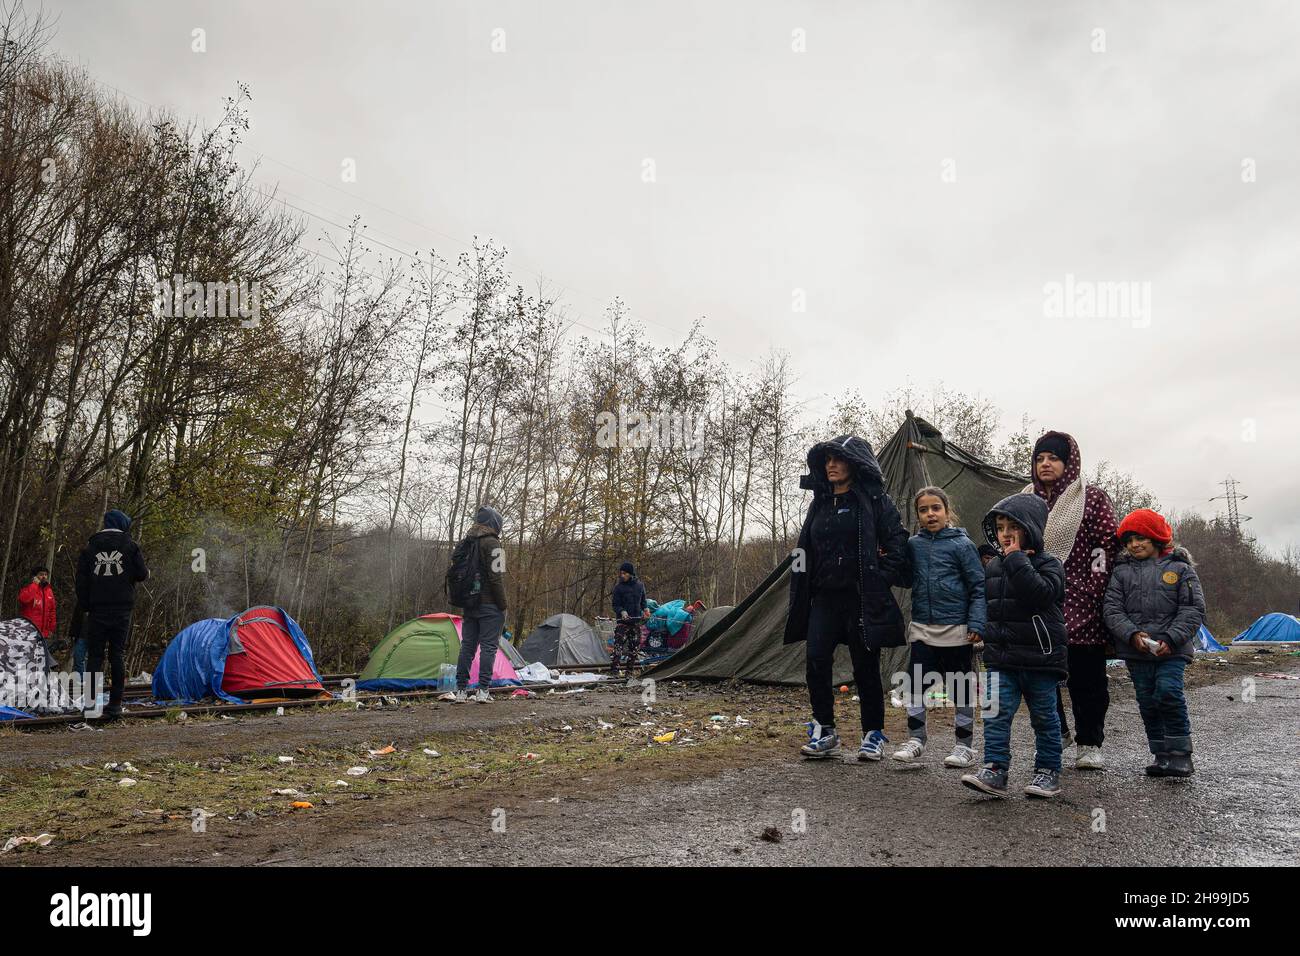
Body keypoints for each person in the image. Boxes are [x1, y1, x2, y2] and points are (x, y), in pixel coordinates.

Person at [784, 435, 911, 760]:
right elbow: (806, 549)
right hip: (824, 598)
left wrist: (879, 577)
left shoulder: (874, 500)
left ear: (855, 463)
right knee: (815, 661)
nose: (831, 465)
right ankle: (825, 731)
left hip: (861, 598)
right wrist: (801, 581)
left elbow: (897, 541)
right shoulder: (820, 503)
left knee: (865, 666)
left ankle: (874, 734)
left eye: (838, 459)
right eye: (826, 460)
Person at [961, 493, 1067, 799]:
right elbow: (987, 603)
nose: (1006, 533)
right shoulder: (993, 566)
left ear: (1031, 528)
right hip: (1001, 659)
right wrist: (980, 630)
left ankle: (1047, 772)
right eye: (1000, 526)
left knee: (1045, 719)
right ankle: (995, 770)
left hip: (1040, 659)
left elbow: (1041, 595)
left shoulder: (1050, 564)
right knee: (995, 713)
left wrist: (1018, 559)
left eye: (1013, 526)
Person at [1026, 431, 1118, 770]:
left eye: (1053, 458)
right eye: (1040, 458)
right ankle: (1057, 733)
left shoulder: (1090, 499)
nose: (1045, 464)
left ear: (1069, 463)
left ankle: (1090, 742)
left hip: (1082, 601)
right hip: (1038, 601)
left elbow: (1104, 546)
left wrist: (1096, 590)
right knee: (1039, 675)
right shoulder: (1024, 501)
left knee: (1087, 678)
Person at [1103, 509, 1205, 777]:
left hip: (1172, 650)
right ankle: (1160, 755)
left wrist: (1171, 638)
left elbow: (1192, 609)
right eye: (1128, 540)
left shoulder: (1181, 569)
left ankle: (1181, 754)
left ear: (1156, 537)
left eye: (1140, 538)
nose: (1134, 544)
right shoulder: (1121, 572)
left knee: (1168, 693)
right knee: (1147, 702)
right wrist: (1132, 634)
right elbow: (1112, 610)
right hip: (1137, 652)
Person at [892, 487, 985, 768]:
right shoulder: (914, 545)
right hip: (922, 627)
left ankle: (964, 747)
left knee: (960, 690)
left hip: (957, 629)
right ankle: (916, 739)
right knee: (915, 687)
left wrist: (977, 622)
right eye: (923, 510)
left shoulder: (962, 545)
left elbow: (978, 586)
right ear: (918, 515)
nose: (930, 514)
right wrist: (891, 556)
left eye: (936, 508)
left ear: (947, 511)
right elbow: (907, 580)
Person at [75, 510, 149, 720]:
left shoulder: (90, 547)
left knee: (94, 657)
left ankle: (90, 706)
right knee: (117, 655)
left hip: (97, 610)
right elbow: (142, 574)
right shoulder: (130, 546)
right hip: (121, 609)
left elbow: (80, 581)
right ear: (122, 525)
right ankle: (115, 705)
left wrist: (87, 605)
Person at [450, 505, 507, 703]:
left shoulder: (467, 542)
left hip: (469, 603)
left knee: (467, 647)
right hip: (490, 604)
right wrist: (503, 605)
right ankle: (483, 691)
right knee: (489, 647)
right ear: (494, 523)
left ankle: (461, 691)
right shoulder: (494, 544)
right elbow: (496, 577)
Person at [610, 561, 648, 678]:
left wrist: (646, 610)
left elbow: (643, 601)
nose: (622, 575)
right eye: (621, 573)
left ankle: (629, 671)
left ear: (631, 574)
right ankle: (615, 670)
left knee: (635, 647)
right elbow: (615, 605)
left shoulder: (640, 586)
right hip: (623, 622)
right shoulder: (618, 588)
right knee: (618, 645)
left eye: (625, 573)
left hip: (635, 622)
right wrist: (622, 611)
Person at [18, 565, 57, 640]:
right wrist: (34, 585)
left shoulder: (49, 591)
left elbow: (52, 610)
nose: (44, 577)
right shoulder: (28, 587)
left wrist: (51, 629)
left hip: (44, 633)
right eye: (41, 574)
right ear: (35, 576)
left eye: (45, 574)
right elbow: (24, 599)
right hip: (29, 631)